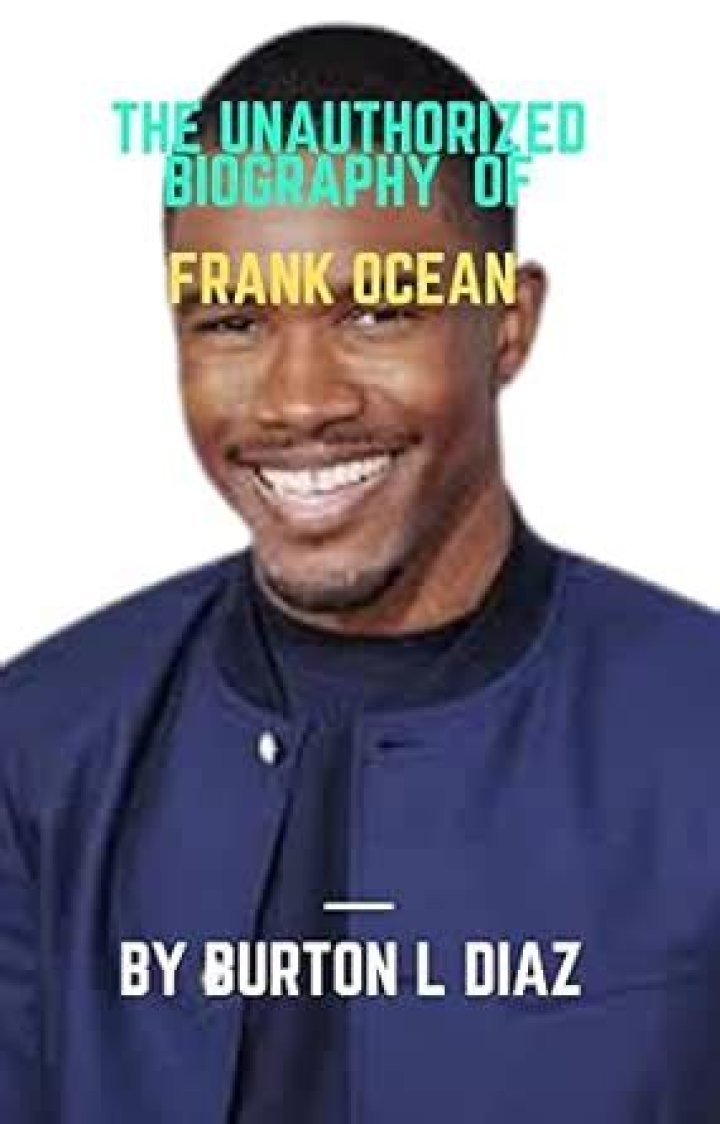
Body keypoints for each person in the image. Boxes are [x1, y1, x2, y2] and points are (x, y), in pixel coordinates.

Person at [1, 23, 719, 1124]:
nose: (300, 401)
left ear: (509, 324)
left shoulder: (699, 728)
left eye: (376, 310)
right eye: (232, 320)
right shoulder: (41, 747)